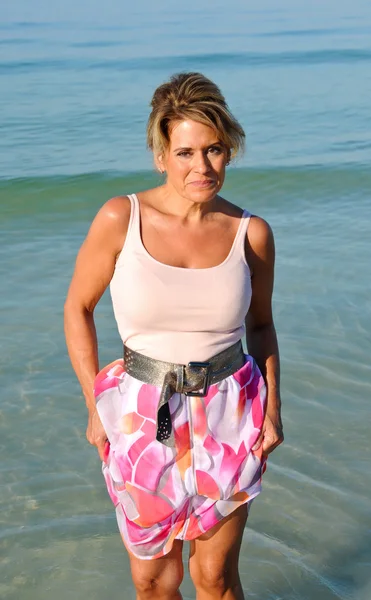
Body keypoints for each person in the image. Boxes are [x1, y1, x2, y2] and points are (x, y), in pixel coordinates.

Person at [64, 72, 284, 600]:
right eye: (185, 152)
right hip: (142, 412)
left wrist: (273, 409)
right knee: (154, 580)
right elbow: (78, 307)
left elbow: (261, 325)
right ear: (161, 154)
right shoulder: (122, 217)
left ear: (229, 151)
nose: (201, 167)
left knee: (215, 577)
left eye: (213, 150)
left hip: (230, 408)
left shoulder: (250, 233)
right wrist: (94, 405)